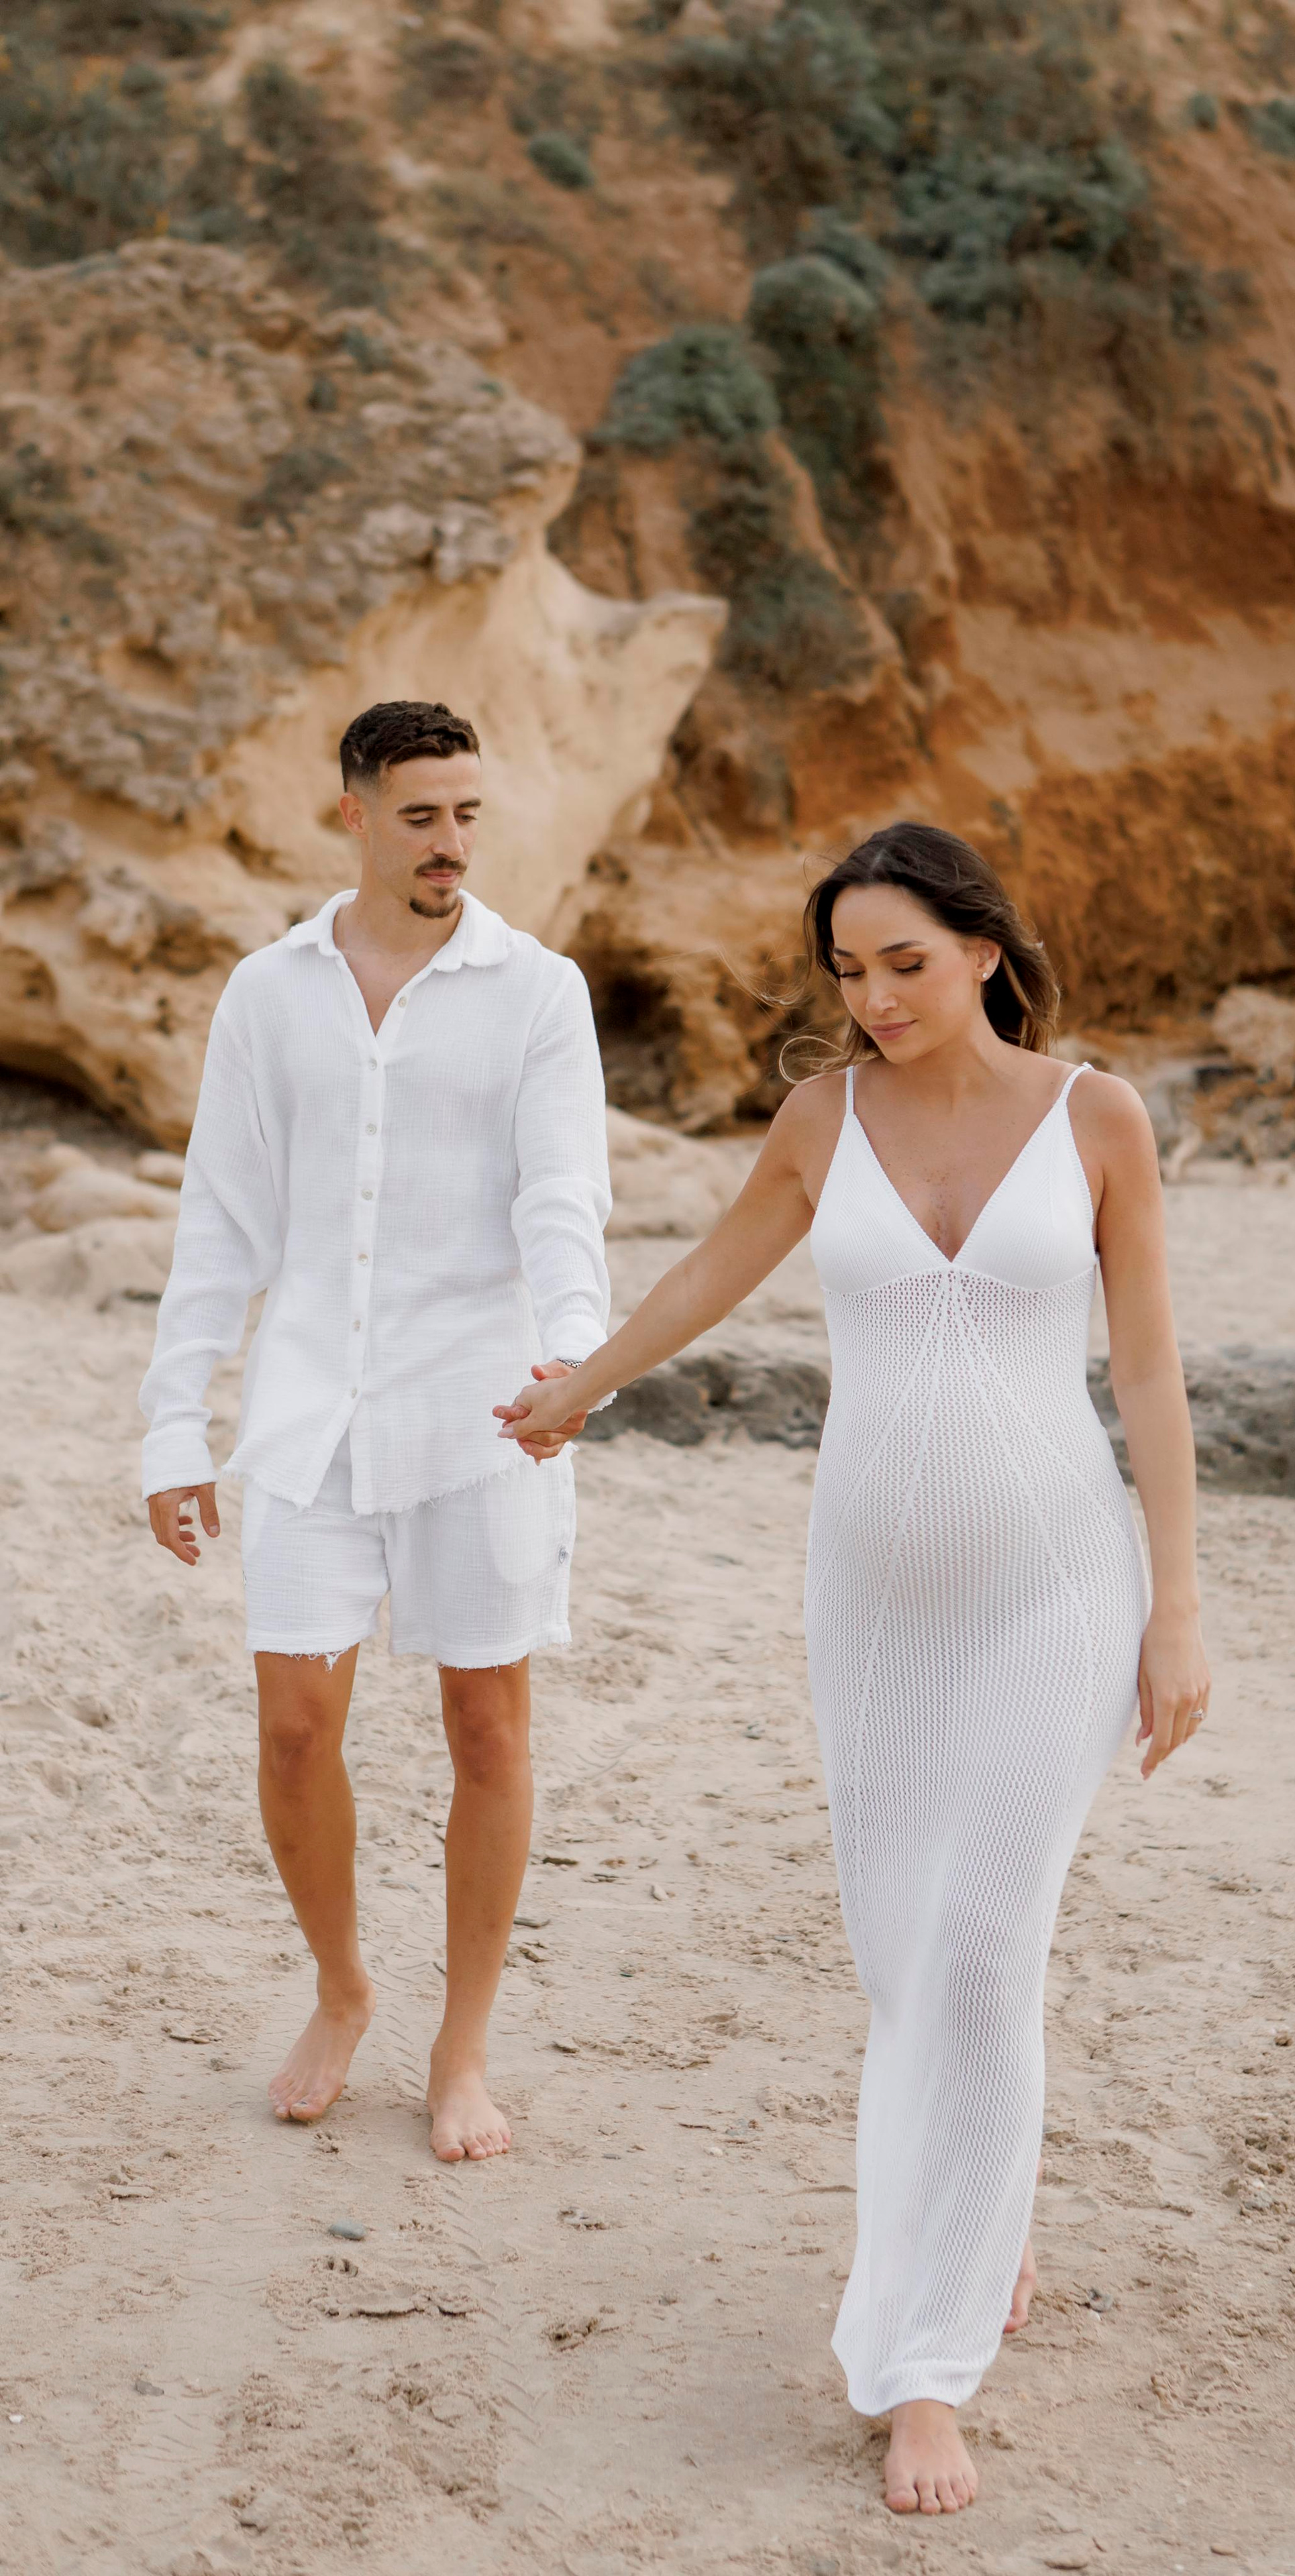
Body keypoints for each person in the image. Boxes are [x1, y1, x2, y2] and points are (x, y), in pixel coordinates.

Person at [497, 822, 1210, 2512]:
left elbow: (1157, 1378)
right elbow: (713, 1273)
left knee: (976, 1946)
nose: (874, 999)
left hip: (1054, 1586)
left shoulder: (1093, 1116)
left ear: (979, 947)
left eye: (902, 962)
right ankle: (981, 2217)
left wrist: (1176, 1607)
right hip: (874, 1602)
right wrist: (580, 1385)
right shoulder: (825, 1122)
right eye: (845, 973)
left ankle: (921, 2373)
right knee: (904, 1957)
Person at [140, 700, 610, 2163]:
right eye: (421, 815)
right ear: (351, 813)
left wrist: (570, 1365)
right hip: (308, 1416)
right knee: (293, 1727)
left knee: (487, 1726)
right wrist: (175, 1424)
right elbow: (221, 1219)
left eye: (469, 813)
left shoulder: (537, 991)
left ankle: (459, 2048)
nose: (451, 844)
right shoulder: (267, 991)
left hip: (482, 1413)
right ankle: (341, 1987)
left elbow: (562, 1198)